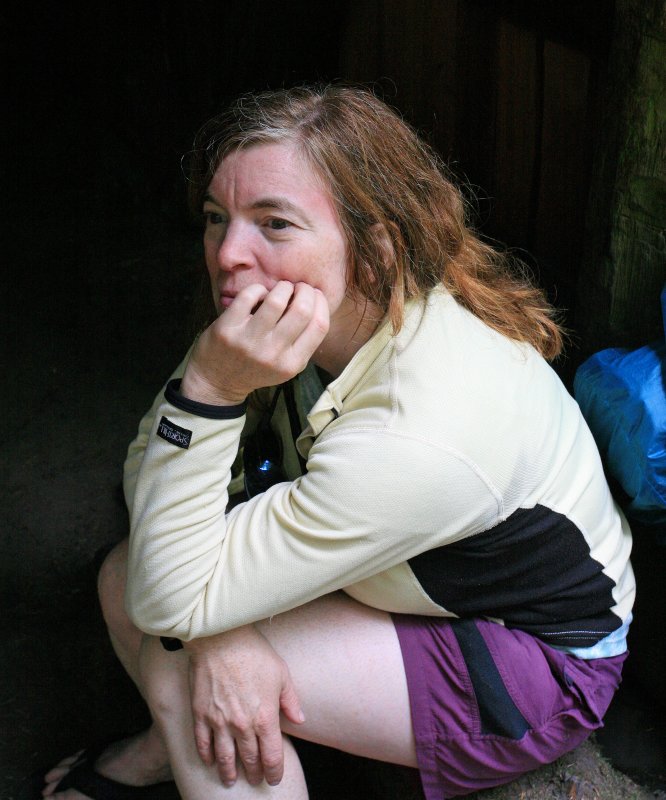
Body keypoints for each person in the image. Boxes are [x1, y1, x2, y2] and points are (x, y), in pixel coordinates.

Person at [43, 85, 635, 800]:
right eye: (215, 217)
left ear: (375, 246)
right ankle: (167, 748)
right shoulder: (322, 319)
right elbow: (151, 472)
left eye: (274, 224)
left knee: (170, 636)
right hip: (408, 580)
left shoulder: (422, 428)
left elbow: (173, 595)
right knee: (134, 582)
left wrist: (207, 386)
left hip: (529, 659)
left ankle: (181, 749)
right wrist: (215, 626)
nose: (228, 253)